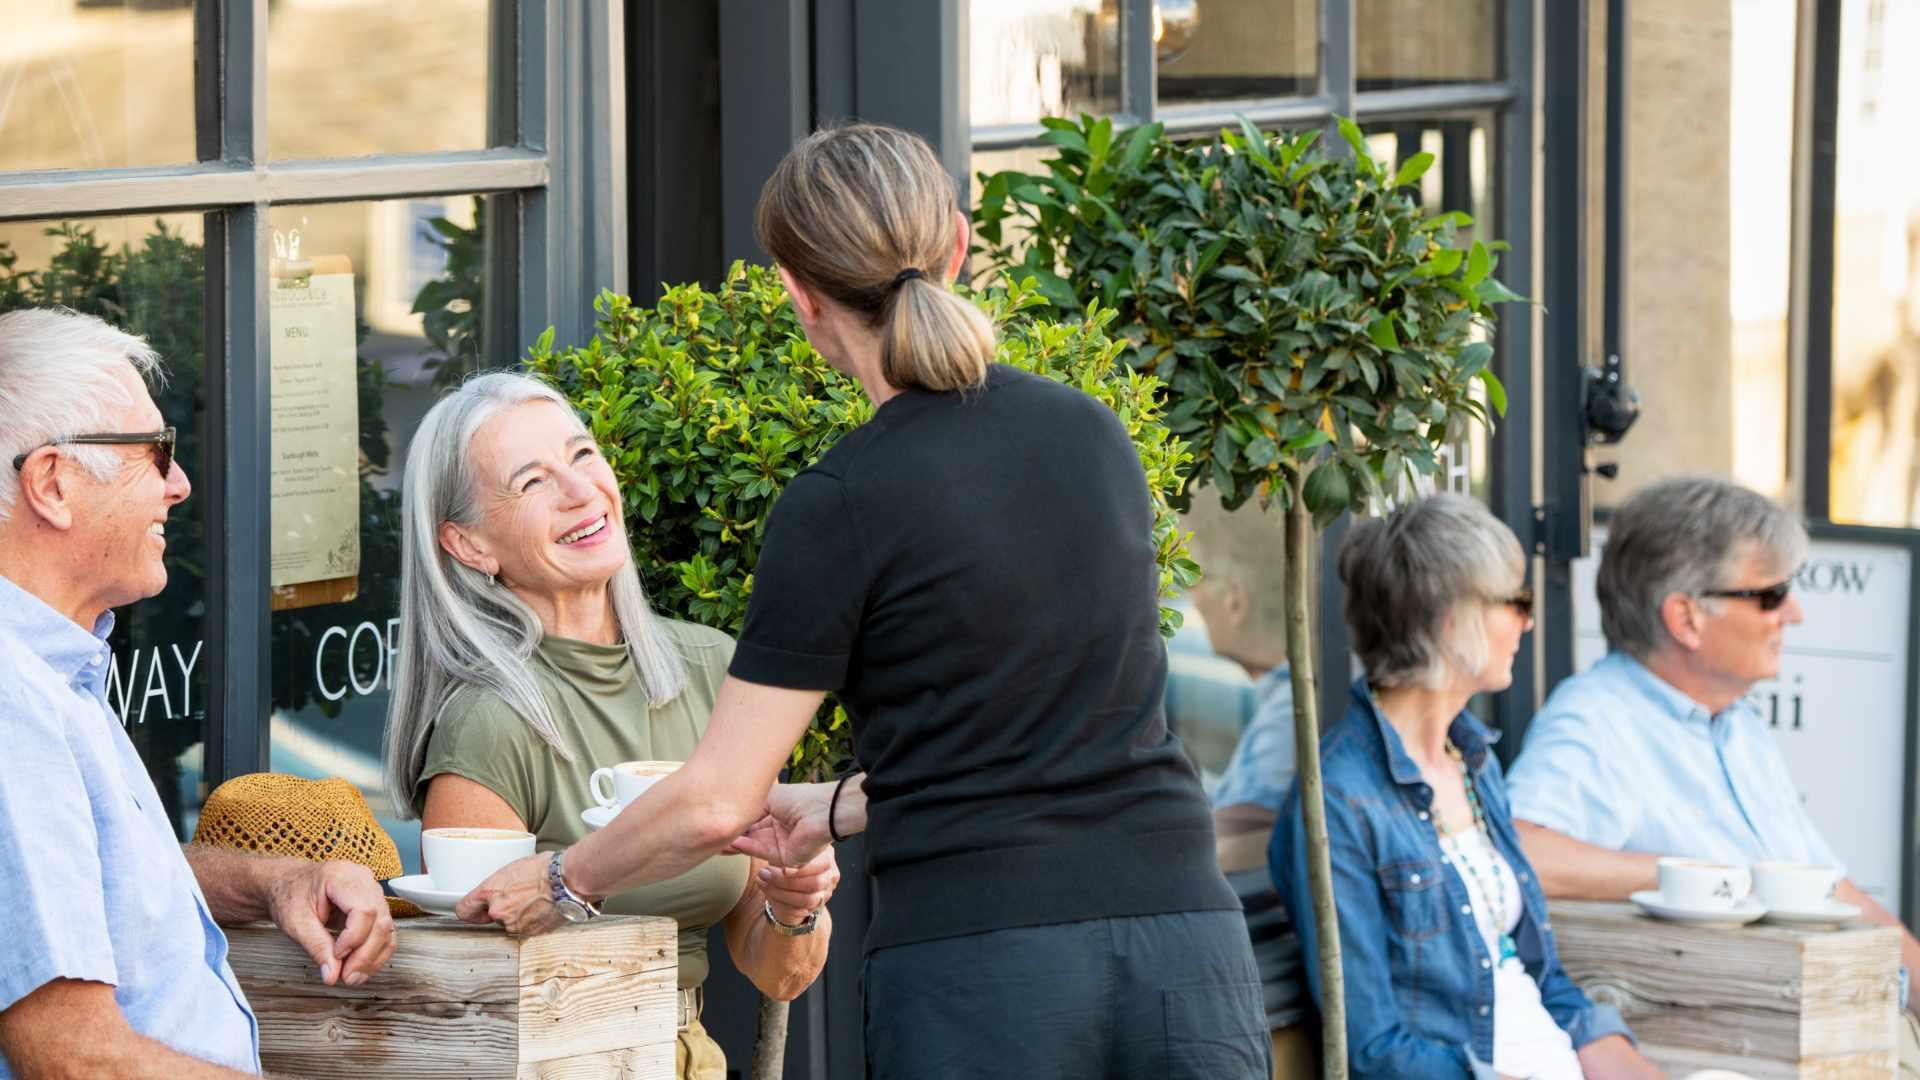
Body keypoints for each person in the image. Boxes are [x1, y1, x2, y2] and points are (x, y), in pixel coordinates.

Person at [456, 123, 1269, 1079]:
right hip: (1187, 943)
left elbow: (718, 798)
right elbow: (1042, 737)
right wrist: (833, 806)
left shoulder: (839, 503)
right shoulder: (1092, 435)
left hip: (987, 970)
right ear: (958, 247)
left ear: (800, 295)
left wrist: (560, 880)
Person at [382, 371, 839, 1080]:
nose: (580, 491)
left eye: (584, 455)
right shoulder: (487, 725)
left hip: (694, 1055)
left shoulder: (714, 670)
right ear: (469, 545)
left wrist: (791, 906)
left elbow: (779, 974)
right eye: (533, 482)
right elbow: (473, 995)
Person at [0, 307, 395, 1079]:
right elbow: (76, 1059)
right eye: (156, 453)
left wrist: (280, 880)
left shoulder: (52, 672)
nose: (179, 484)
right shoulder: (15, 703)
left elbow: (89, 886)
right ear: (51, 482)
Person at [1507, 474, 1920, 1069]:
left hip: (1848, 1035)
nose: (1794, 613)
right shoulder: (1599, 719)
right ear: (1686, 618)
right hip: (1736, 1047)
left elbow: (1831, 886)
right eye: (1770, 595)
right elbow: (1520, 855)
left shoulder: (1736, 724)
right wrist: (1691, 875)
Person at [1273, 494, 1655, 1079]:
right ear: (1453, 618)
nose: (1528, 620)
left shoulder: (1474, 762)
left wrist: (1624, 1060)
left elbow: (1539, 975)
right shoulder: (1336, 802)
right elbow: (1374, 1049)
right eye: (1515, 601)